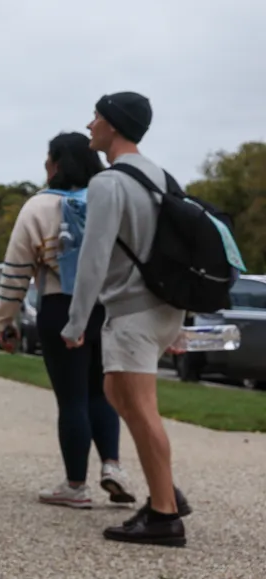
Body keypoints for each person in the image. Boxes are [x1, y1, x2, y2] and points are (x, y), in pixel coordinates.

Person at [62, 92, 192, 547]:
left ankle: (164, 516)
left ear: (114, 125)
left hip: (134, 310)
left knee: (139, 405)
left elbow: (93, 259)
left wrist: (76, 323)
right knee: (116, 391)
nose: (90, 124)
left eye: (96, 117)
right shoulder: (161, 176)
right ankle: (165, 489)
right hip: (161, 306)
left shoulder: (109, 183)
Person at [0, 131, 132, 510]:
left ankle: (75, 485)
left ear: (55, 163)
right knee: (102, 393)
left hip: (60, 306)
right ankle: (113, 467)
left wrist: (5, 321)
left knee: (71, 399)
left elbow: (16, 272)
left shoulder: (38, 208)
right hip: (106, 308)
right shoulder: (108, 201)